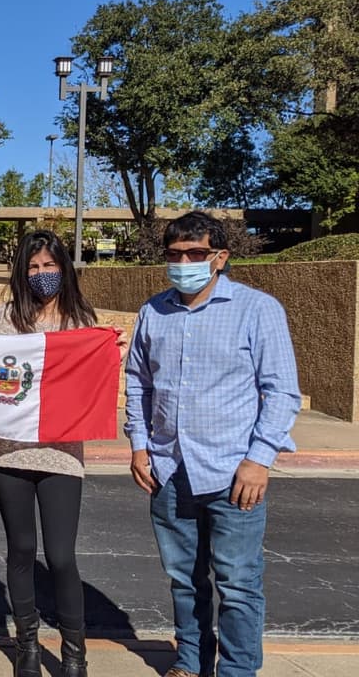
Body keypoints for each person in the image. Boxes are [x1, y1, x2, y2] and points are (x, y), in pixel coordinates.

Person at [125, 211, 300, 677]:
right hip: (168, 469)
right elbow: (138, 383)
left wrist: (259, 460)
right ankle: (190, 662)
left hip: (233, 472)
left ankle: (238, 671)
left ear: (219, 257)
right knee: (184, 581)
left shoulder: (257, 309)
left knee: (239, 583)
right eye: (175, 254)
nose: (184, 262)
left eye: (196, 253)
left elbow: (281, 391)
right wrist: (140, 446)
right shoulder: (153, 311)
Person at [0, 230, 127, 677]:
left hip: (61, 451)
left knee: (61, 556)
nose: (42, 274)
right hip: (8, 450)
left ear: (64, 268)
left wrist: (111, 356)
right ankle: (26, 645)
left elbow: (92, 382)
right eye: (33, 267)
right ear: (22, 272)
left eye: (50, 265)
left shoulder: (83, 322)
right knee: (21, 548)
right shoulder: (1, 318)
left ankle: (73, 653)